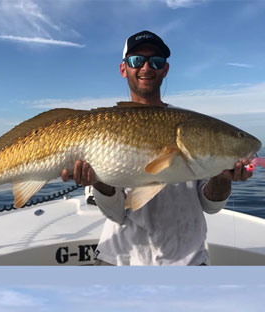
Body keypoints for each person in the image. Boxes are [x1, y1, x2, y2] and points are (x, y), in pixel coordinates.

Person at [61, 30, 252, 266]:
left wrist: (223, 178)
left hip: (187, 260)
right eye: (136, 60)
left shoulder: (190, 126)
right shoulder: (103, 125)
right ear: (124, 69)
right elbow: (117, 214)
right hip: (121, 258)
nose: (146, 67)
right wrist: (99, 182)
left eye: (156, 61)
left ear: (165, 69)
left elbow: (210, 206)